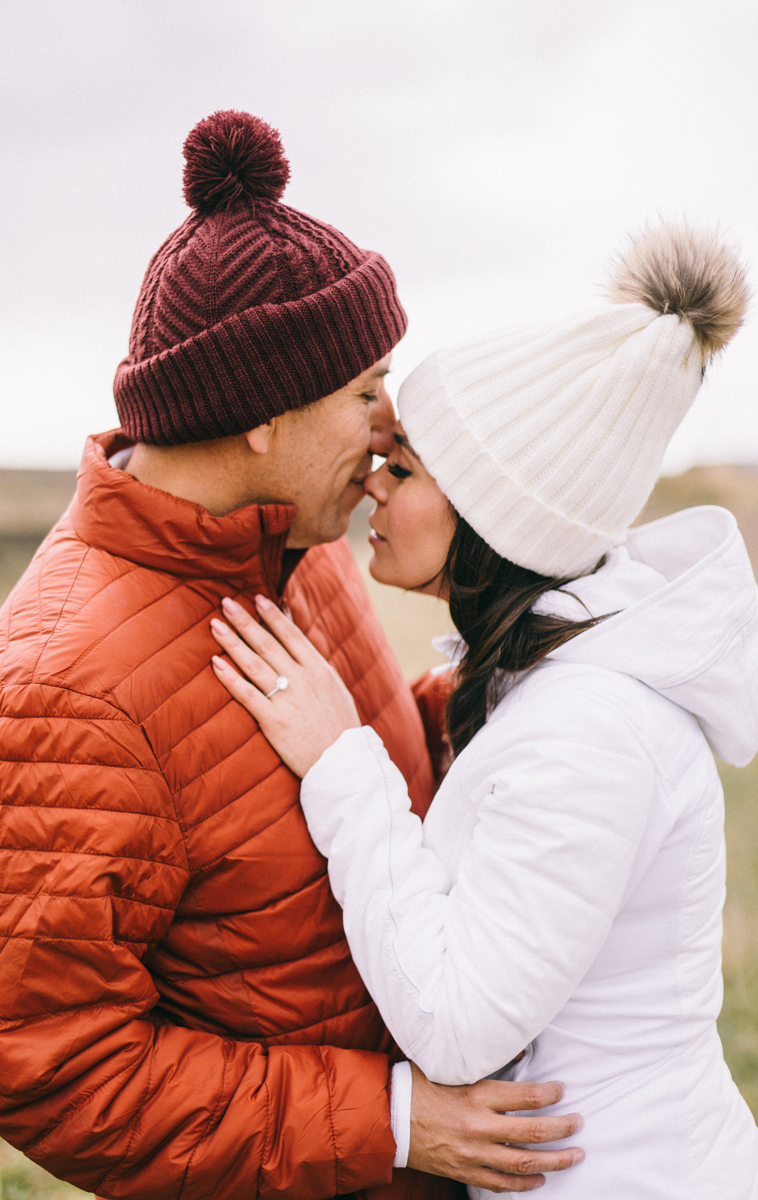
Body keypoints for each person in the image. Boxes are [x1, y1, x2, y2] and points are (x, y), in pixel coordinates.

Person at [0, 111, 583, 1200]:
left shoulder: (295, 541)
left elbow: (369, 756)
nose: (390, 431)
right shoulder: (59, 695)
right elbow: (56, 1073)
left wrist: (530, 689)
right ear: (258, 418)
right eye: (362, 391)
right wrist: (386, 1122)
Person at [210, 223, 758, 1197]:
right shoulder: (560, 688)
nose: (373, 480)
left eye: (407, 469)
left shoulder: (591, 732)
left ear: (497, 520)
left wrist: (342, 762)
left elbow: (457, 1024)